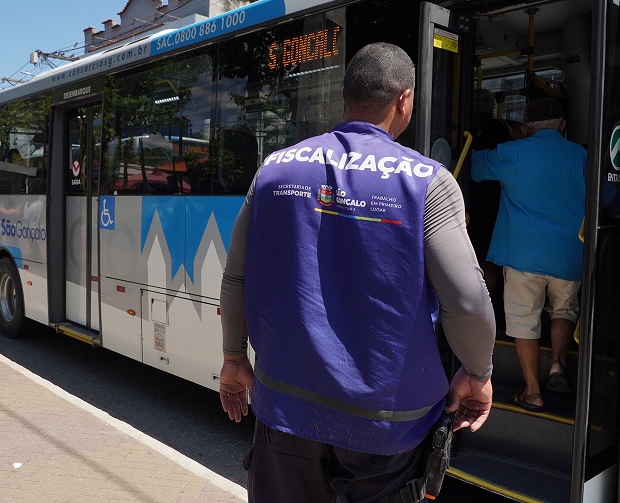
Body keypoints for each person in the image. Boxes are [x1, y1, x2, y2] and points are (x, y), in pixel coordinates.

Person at [219, 42, 496, 503]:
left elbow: (235, 279)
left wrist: (233, 359)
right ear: (403, 99)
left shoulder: (273, 170)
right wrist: (478, 371)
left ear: (345, 98)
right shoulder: (427, 181)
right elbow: (467, 301)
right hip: (388, 429)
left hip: (285, 412)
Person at [472, 97, 586, 411]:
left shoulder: (513, 152)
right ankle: (558, 365)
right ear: (563, 126)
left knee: (524, 322)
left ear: (524, 128)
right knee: (564, 310)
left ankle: (533, 391)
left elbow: (475, 166)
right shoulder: (583, 156)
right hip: (569, 255)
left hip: (523, 255)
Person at [467, 89, 516, 296]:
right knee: (486, 260)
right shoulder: (504, 129)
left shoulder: (467, 131)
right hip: (495, 201)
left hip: (478, 200)